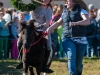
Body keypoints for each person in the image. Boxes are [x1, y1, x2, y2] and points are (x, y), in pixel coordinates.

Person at [45, 0, 90, 75]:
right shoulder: (64, 12)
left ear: (74, 2)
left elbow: (87, 21)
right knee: (71, 57)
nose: (66, 3)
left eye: (68, 1)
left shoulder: (82, 10)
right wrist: (49, 29)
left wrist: (76, 23)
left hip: (80, 39)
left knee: (78, 65)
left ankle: (77, 71)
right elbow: (58, 22)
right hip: (67, 38)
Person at [31, 0, 53, 72]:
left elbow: (47, 23)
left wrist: (39, 27)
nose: (45, 0)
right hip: (32, 28)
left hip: (43, 30)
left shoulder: (48, 9)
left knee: (48, 45)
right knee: (20, 41)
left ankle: (45, 65)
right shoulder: (34, 5)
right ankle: (22, 61)